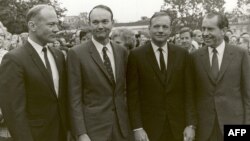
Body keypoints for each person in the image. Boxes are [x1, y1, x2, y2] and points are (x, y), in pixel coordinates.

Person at [0, 5, 68, 141]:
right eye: (51, 24)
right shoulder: (14, 59)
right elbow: (13, 110)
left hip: (62, 134)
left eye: (57, 24)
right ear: (32, 26)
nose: (56, 29)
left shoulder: (58, 55)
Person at [67, 5, 132, 141]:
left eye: (105, 21)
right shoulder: (76, 54)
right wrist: (81, 133)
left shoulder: (122, 52)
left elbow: (126, 90)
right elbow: (74, 98)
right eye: (95, 22)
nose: (100, 26)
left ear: (112, 23)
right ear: (89, 24)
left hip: (122, 128)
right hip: (93, 131)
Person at [126, 11, 192, 141]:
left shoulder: (182, 54)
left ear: (170, 30)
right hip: (149, 129)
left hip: (178, 127)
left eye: (165, 27)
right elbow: (133, 96)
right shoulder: (136, 55)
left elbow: (189, 92)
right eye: (156, 26)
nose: (160, 30)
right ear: (149, 29)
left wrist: (191, 125)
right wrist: (137, 128)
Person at [186, 12, 250, 141]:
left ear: (224, 30)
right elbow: (190, 96)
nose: (204, 33)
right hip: (204, 129)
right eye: (203, 28)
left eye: (210, 29)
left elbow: (247, 95)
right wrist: (191, 125)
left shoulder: (240, 54)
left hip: (234, 126)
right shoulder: (194, 57)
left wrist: (246, 129)